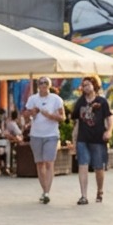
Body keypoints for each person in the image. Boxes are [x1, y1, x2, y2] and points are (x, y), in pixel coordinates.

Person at [70, 76, 113, 204]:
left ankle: (100, 191)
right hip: (83, 139)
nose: (85, 87)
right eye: (83, 85)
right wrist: (74, 140)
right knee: (82, 165)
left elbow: (110, 118)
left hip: (98, 139)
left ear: (94, 85)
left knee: (99, 167)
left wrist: (109, 131)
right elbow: (77, 122)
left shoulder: (102, 102)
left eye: (88, 85)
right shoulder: (80, 102)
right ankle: (83, 195)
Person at [23, 76, 65, 204]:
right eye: (40, 83)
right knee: (39, 163)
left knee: (49, 162)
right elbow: (25, 115)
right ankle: (44, 189)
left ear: (49, 85)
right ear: (37, 85)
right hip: (36, 134)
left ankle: (47, 191)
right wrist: (32, 113)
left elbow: (62, 117)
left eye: (45, 83)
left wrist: (50, 116)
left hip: (51, 134)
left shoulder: (56, 99)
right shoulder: (32, 99)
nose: (43, 85)